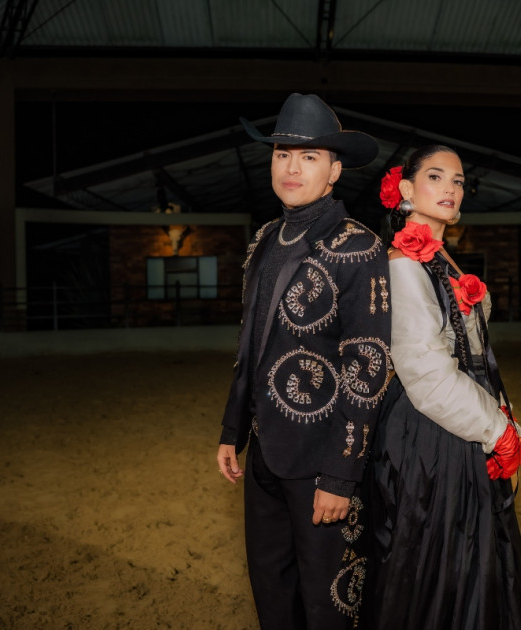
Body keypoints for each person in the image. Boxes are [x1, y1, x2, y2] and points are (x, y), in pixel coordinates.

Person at [216, 93, 391, 630]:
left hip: (321, 460)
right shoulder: (266, 239)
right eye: (282, 153)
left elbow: (369, 366)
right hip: (265, 453)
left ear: (335, 170)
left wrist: (341, 475)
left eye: (309, 156)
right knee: (271, 589)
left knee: (328, 604)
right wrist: (231, 429)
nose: (292, 167)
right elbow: (251, 343)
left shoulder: (359, 247)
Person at [367, 145, 521, 629]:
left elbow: (473, 354)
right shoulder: (403, 264)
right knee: (441, 564)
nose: (450, 189)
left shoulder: (441, 260)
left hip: (458, 420)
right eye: (436, 177)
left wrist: (504, 416)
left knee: (472, 559)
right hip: (430, 434)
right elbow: (425, 372)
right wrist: (496, 430)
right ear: (404, 189)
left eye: (458, 181)